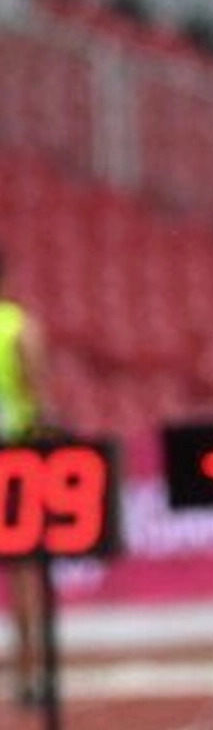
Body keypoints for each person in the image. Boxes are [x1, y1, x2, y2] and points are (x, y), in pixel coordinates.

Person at [0, 246, 50, 703]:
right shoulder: (20, 328)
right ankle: (30, 671)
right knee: (24, 570)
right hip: (15, 456)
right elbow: (38, 396)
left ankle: (29, 670)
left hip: (12, 457)